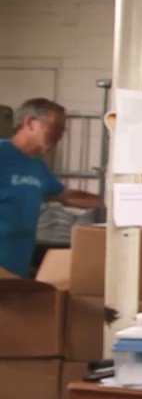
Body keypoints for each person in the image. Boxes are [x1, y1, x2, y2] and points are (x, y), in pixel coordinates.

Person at [0, 98, 99, 277]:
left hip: (16, 268)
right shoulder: (3, 154)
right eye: (55, 126)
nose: (59, 134)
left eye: (63, 129)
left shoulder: (37, 165)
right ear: (30, 122)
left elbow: (67, 196)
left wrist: (113, 203)